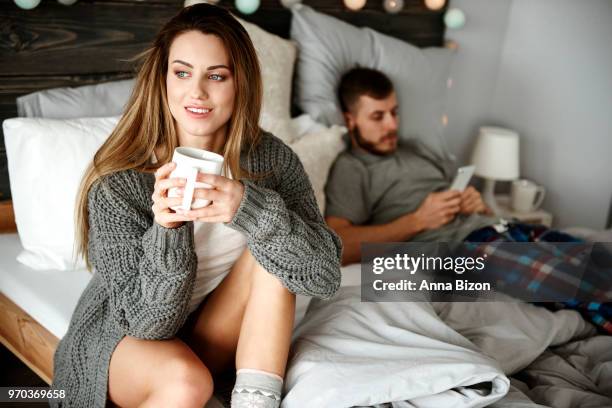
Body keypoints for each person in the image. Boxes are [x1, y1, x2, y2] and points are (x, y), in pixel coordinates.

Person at [51, 4, 342, 408]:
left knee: (275, 243)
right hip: (125, 341)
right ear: (163, 78)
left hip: (209, 334)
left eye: (216, 76)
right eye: (182, 72)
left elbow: (323, 277)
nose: (197, 93)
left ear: (240, 82)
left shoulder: (272, 161)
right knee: (186, 382)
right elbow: (146, 324)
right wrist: (167, 230)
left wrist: (250, 209)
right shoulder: (120, 182)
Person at [325, 67, 497, 266]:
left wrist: (480, 206)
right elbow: (338, 246)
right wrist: (418, 220)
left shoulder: (416, 148)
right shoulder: (351, 167)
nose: (392, 125)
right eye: (378, 116)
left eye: (394, 112)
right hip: (463, 248)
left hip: (498, 228)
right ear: (350, 120)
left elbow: (466, 203)